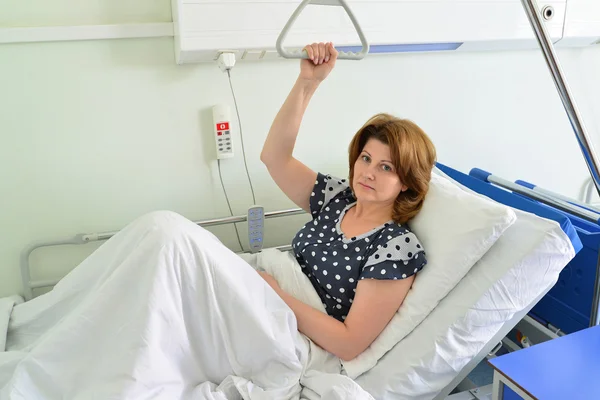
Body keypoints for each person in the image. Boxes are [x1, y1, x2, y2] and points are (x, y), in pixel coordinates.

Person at [259, 42, 437, 362]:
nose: (368, 172)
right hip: (267, 298)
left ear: (408, 181)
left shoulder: (395, 246)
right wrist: (307, 83)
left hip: (290, 332)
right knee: (165, 236)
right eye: (366, 158)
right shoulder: (338, 197)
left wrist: (273, 296)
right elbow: (274, 157)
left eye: (386, 167)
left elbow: (348, 342)